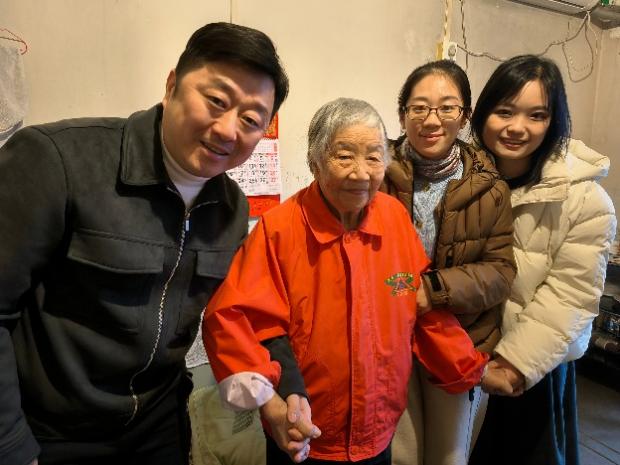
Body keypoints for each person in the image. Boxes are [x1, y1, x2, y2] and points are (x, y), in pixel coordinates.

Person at [0, 22, 290, 465]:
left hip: (157, 429)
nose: (228, 129)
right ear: (172, 85)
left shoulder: (230, 208)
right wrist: (11, 445)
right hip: (50, 434)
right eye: (216, 100)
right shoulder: (57, 160)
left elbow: (235, 314)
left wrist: (273, 388)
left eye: (251, 120)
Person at [202, 98, 512, 465]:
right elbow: (235, 317)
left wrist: (472, 368)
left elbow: (423, 311)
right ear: (315, 163)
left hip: (378, 430)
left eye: (374, 157)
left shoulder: (394, 219)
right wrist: (269, 402)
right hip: (303, 430)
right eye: (344, 156)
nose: (361, 173)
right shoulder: (279, 229)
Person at [468, 54, 617, 465]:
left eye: (536, 115)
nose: (517, 127)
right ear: (483, 114)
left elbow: (571, 295)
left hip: (531, 366)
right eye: (504, 112)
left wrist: (514, 364)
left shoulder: (586, 200)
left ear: (554, 121)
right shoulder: (463, 179)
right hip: (464, 358)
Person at [382, 60, 516, 465]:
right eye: (419, 107)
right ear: (402, 114)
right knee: (399, 454)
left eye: (447, 107)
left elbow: (500, 273)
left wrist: (433, 290)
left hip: (460, 341)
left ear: (465, 116)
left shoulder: (491, 188)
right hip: (391, 340)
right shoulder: (376, 174)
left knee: (449, 455)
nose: (431, 120)